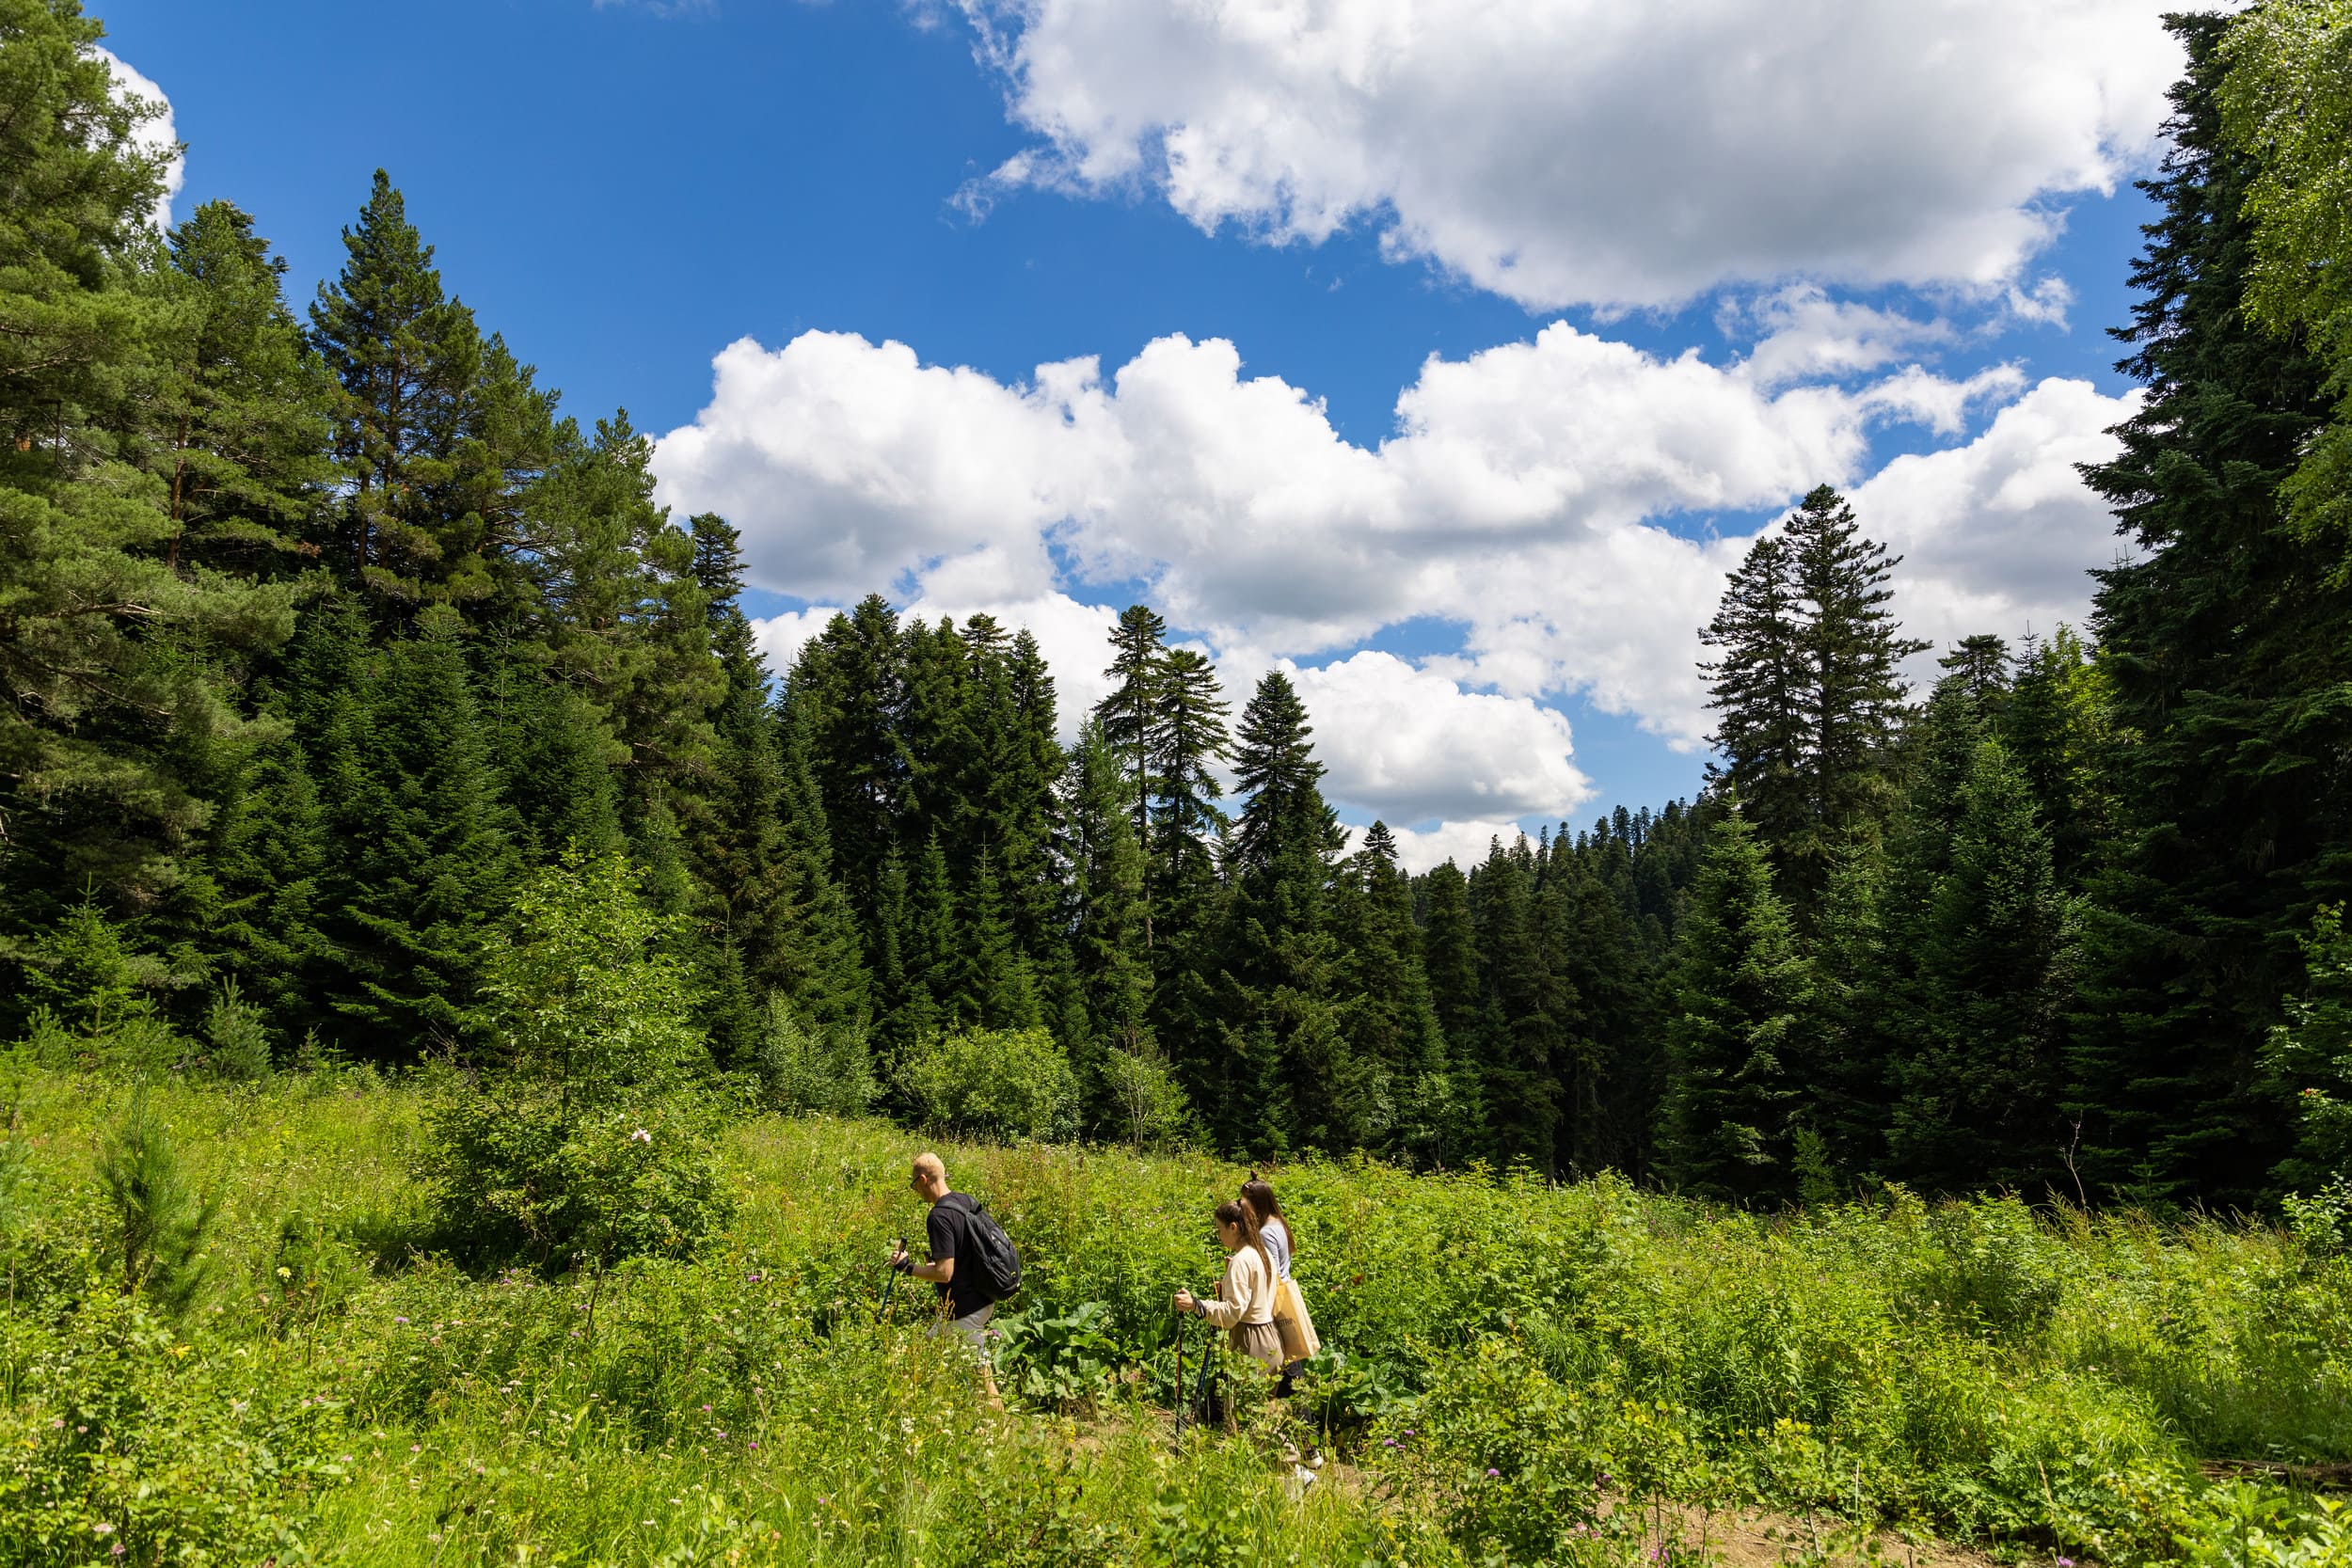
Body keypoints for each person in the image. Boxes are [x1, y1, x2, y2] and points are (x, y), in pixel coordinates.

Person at [890, 1152, 1004, 1408]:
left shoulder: (939, 1215)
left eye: (914, 1184)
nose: (916, 1191)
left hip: (964, 1310)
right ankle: (905, 1406)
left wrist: (907, 1267)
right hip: (980, 1298)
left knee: (982, 1378)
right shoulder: (965, 1202)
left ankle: (1001, 1431)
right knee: (923, 1351)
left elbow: (944, 1273)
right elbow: (965, 1255)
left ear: (922, 1179)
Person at [1172, 1199, 1283, 1375]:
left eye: (1219, 1229)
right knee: (1264, 1402)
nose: (1218, 1235)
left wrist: (1195, 1305)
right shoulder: (1263, 1252)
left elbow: (1231, 1315)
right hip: (1272, 1340)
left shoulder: (1242, 1260)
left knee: (1242, 1403)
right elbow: (1256, 1297)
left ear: (1233, 1227)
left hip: (1251, 1343)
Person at [1241, 1177, 1318, 1387]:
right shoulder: (1278, 1223)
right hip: (1285, 1294)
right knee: (1290, 1352)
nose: (1242, 1208)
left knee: (1285, 1355)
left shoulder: (1265, 1232)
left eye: (1244, 1203)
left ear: (1256, 1204)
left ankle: (1299, 1407)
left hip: (1276, 1299)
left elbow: (1271, 1270)